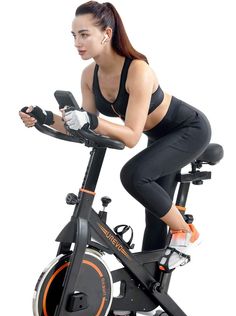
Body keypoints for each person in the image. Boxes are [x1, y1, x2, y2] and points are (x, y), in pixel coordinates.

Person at [19, 1, 211, 271]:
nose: (77, 42)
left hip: (189, 130)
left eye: (84, 34)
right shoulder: (89, 75)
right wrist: (46, 117)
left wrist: (93, 120)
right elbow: (84, 127)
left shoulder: (138, 71)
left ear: (106, 34)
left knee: (133, 175)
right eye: (74, 35)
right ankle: (149, 292)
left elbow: (131, 137)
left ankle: (185, 232)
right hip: (157, 136)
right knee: (155, 216)